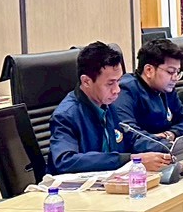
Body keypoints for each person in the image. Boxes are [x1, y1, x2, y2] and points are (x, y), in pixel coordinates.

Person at [48, 42, 170, 174]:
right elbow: (64, 161)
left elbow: (133, 138)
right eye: (110, 83)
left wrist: (168, 147)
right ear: (86, 81)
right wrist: (130, 160)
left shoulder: (109, 104)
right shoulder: (66, 115)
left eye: (119, 81)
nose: (117, 90)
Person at [109, 37, 183, 142]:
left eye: (177, 72)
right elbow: (129, 135)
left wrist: (171, 134)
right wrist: (166, 144)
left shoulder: (167, 89)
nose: (175, 78)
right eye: (170, 72)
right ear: (149, 70)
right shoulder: (125, 90)